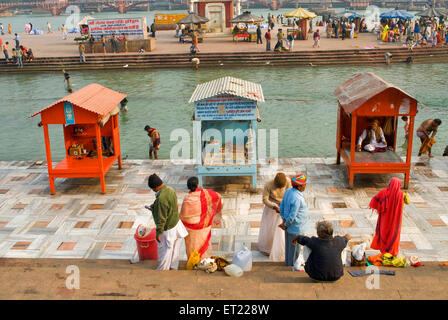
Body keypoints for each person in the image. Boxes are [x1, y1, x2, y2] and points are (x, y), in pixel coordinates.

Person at [147, 174, 188, 270]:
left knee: (165, 251)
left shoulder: (161, 199)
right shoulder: (170, 190)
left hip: (168, 227)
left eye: (153, 189)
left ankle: (163, 269)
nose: (153, 191)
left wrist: (158, 233)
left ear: (155, 187)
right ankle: (173, 267)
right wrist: (154, 206)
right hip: (175, 222)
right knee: (174, 248)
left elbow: (162, 218)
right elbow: (169, 205)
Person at [179, 177, 222, 260]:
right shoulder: (206, 194)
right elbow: (218, 196)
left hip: (191, 231)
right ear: (198, 185)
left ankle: (193, 262)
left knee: (192, 247)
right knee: (205, 248)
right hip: (203, 227)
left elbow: (183, 216)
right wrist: (214, 213)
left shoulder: (186, 199)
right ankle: (206, 263)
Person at [369, 177, 409, 257]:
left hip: (385, 220)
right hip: (395, 220)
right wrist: (405, 196)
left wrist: (379, 206)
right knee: (394, 234)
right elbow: (408, 202)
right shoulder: (401, 195)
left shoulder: (384, 192)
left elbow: (374, 200)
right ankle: (392, 252)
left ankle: (384, 251)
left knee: (384, 233)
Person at [258, 172, 291, 262]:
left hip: (284, 206)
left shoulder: (288, 182)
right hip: (272, 207)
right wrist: (274, 207)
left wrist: (284, 206)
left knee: (281, 229)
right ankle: (268, 247)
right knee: (270, 228)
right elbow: (265, 199)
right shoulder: (268, 184)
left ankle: (281, 248)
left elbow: (289, 195)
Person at [279, 174, 310, 267]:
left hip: (289, 227)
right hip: (296, 229)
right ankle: (291, 267)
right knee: (294, 251)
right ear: (299, 186)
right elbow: (292, 216)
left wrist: (284, 220)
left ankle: (288, 264)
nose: (305, 185)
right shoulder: (297, 198)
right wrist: (286, 224)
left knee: (289, 248)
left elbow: (282, 206)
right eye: (304, 184)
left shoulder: (288, 191)